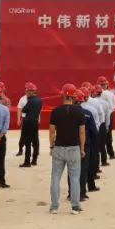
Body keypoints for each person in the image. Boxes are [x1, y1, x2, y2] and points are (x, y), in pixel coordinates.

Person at [49, 84, 86, 215]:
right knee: (74, 178)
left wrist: (51, 146)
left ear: (62, 95)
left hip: (59, 147)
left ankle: (54, 206)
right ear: (74, 97)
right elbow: (82, 132)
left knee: (55, 177)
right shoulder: (79, 112)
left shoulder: (55, 111)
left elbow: (52, 131)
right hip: (73, 148)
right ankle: (75, 206)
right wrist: (82, 148)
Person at [77, 87, 101, 201]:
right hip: (87, 142)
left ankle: (71, 192)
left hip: (72, 143)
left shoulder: (67, 111)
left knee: (72, 169)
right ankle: (86, 188)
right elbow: (95, 128)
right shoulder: (89, 111)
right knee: (86, 166)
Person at [18, 83, 43, 167]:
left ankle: (27, 161)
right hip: (35, 121)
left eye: (27, 91)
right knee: (35, 140)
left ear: (31, 91)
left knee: (27, 142)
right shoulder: (39, 100)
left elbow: (24, 110)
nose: (26, 93)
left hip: (28, 122)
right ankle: (34, 159)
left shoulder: (30, 101)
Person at [89, 82, 110, 168]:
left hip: (91, 124)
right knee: (102, 143)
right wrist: (106, 126)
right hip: (101, 124)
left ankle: (95, 167)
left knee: (94, 146)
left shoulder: (89, 102)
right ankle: (104, 161)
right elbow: (106, 116)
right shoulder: (105, 103)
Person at [98, 76, 115, 161]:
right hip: (99, 115)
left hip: (108, 115)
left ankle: (110, 152)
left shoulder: (110, 94)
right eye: (101, 84)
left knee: (108, 134)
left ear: (107, 84)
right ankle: (101, 152)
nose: (102, 86)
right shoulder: (96, 94)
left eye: (103, 84)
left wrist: (107, 113)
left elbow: (113, 105)